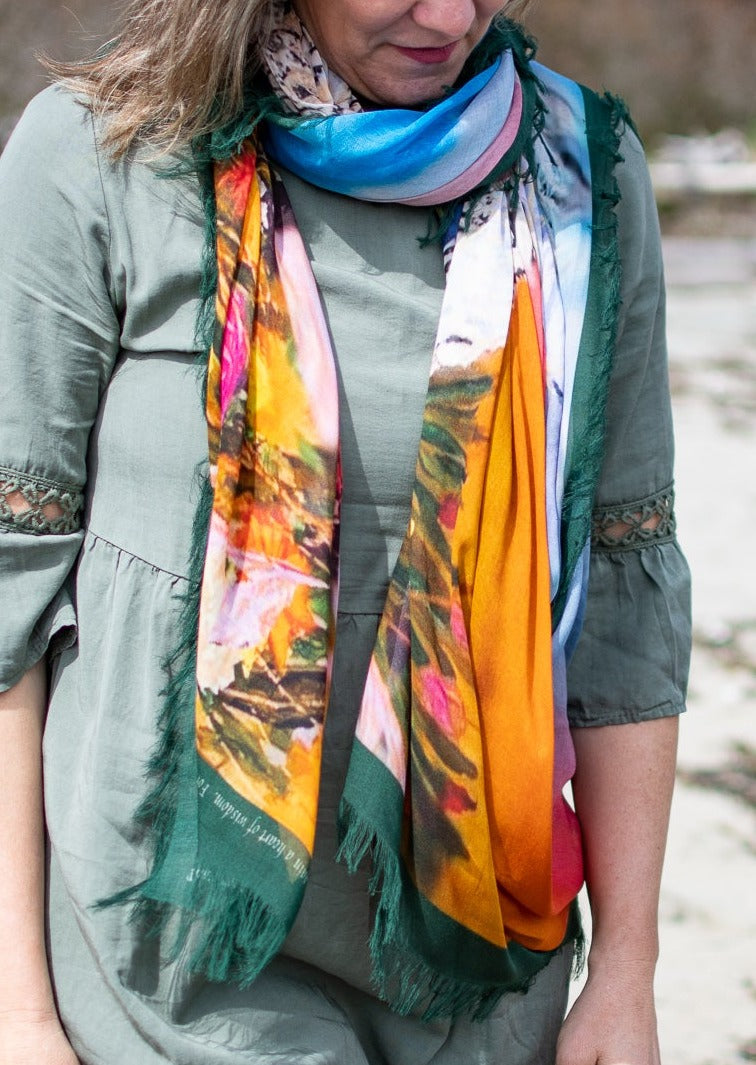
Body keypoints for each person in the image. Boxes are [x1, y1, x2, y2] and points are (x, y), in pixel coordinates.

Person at [0, 0, 691, 1062]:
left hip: (477, 985)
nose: (450, 15)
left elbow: (627, 581)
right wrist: (17, 1011)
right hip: (165, 985)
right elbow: (12, 589)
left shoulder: (578, 180)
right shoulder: (109, 150)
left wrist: (626, 970)